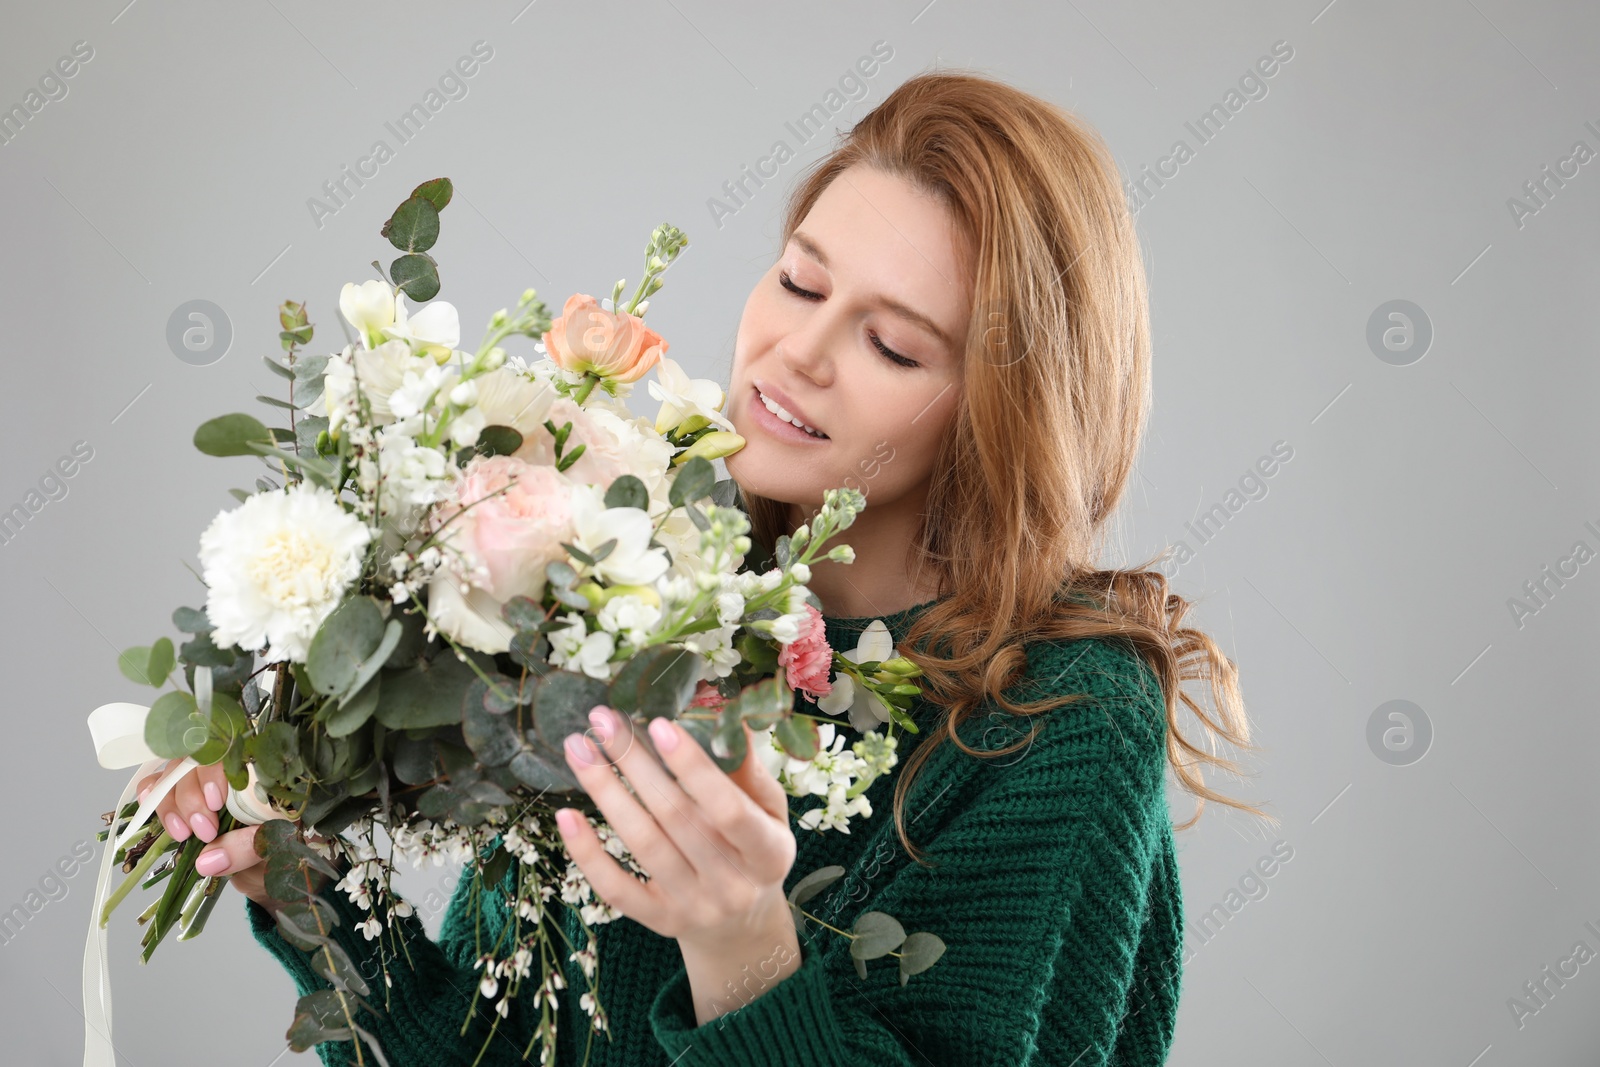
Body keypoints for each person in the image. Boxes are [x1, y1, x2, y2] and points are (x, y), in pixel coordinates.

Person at [139, 68, 1270, 1065]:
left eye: (890, 343)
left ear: (999, 411)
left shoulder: (1059, 718)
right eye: (800, 279)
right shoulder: (644, 605)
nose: (799, 352)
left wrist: (741, 953)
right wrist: (304, 896)